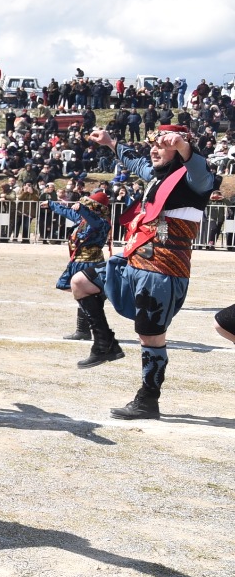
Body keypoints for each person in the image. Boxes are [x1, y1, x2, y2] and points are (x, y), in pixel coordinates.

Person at [72, 125, 216, 418]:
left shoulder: (195, 181)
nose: (154, 150)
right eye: (154, 144)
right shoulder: (156, 176)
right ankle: (105, 343)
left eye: (163, 145)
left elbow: (199, 168)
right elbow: (134, 162)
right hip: (135, 262)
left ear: (179, 149)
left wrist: (185, 148)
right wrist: (111, 143)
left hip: (163, 270)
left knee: (150, 338)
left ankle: (148, 399)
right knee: (81, 283)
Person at [45, 190, 112, 341]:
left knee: (82, 294)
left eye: (88, 207)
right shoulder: (83, 220)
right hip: (76, 262)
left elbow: (92, 220)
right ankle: (94, 295)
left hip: (91, 263)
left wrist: (81, 209)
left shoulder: (101, 223)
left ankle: (82, 330)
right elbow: (68, 213)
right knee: (62, 284)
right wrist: (51, 205)